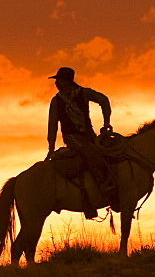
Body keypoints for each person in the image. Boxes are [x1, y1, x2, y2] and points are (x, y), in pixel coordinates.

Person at [45, 66, 115, 196]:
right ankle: (102, 185)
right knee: (92, 152)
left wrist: (106, 123)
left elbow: (104, 101)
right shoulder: (56, 101)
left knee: (110, 150)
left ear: (66, 81)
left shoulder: (83, 93)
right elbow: (52, 126)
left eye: (58, 80)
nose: (55, 83)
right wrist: (51, 148)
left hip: (89, 135)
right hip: (71, 137)